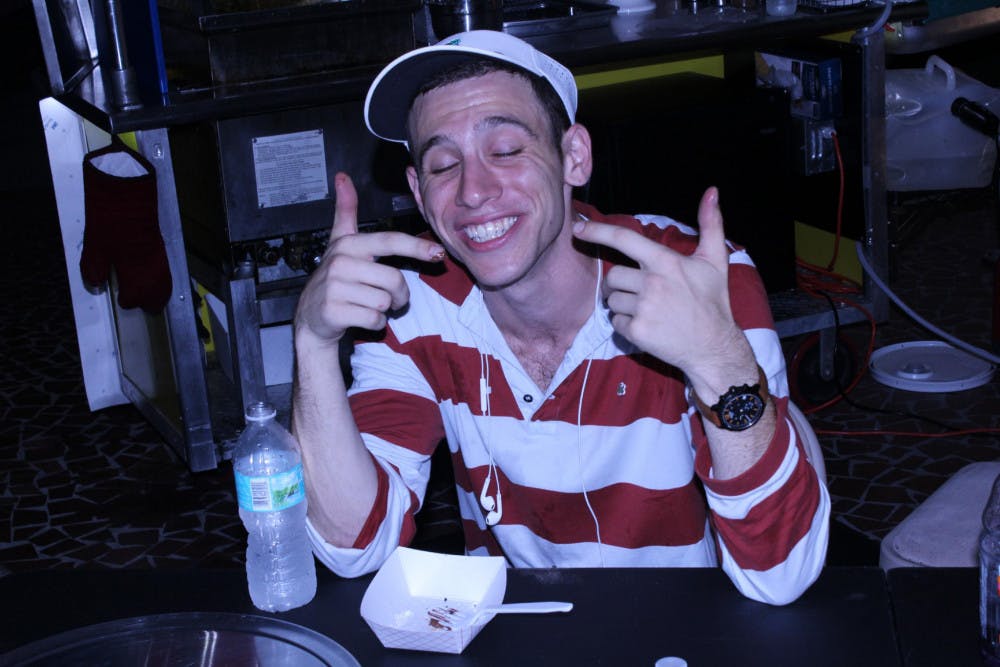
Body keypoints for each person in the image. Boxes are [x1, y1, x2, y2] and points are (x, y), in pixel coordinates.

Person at [291, 30, 829, 605]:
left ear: (573, 157)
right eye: (444, 165)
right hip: (519, 630)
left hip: (689, 629)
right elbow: (354, 546)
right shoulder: (413, 303)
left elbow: (783, 575)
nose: (473, 191)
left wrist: (717, 359)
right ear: (419, 194)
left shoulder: (696, 280)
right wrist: (313, 341)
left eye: (505, 151)